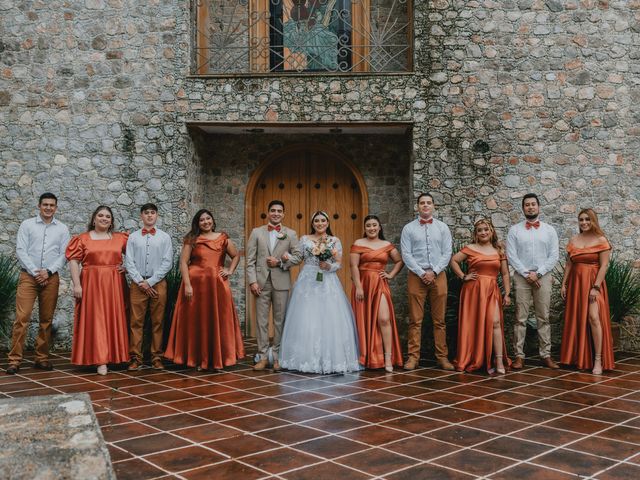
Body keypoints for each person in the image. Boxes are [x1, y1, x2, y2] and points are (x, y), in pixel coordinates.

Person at [279, 211, 360, 374]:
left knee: (329, 317)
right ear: (312, 223)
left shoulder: (334, 240)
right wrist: (284, 260)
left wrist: (329, 266)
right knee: (306, 317)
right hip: (307, 281)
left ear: (328, 223)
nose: (320, 223)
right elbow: (298, 258)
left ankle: (330, 359)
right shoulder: (304, 239)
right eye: (316, 220)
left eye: (323, 220)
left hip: (327, 280)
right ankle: (304, 359)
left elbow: (339, 263)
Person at [164, 209, 245, 370]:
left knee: (217, 319)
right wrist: (187, 284)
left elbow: (236, 255)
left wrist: (229, 270)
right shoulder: (192, 239)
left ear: (213, 221)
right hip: (195, 285)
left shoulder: (223, 238)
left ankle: (217, 358)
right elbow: (183, 263)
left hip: (217, 285)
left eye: (208, 218)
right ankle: (196, 358)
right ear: (197, 223)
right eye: (202, 220)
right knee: (197, 322)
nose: (206, 222)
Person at [6, 193, 70, 375]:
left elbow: (64, 254)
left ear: (56, 208)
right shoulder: (27, 225)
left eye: (52, 205)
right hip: (28, 277)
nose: (48, 208)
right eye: (45, 204)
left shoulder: (62, 229)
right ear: (39, 206)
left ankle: (41, 358)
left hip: (51, 278)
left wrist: (48, 272)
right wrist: (36, 271)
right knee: (22, 318)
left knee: (46, 320)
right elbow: (21, 250)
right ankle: (14, 360)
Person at [66, 205, 129, 375]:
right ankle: (100, 360)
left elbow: (137, 254)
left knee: (112, 318)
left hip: (114, 283)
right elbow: (73, 261)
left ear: (111, 221)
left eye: (108, 216)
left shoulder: (120, 238)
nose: (104, 218)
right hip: (91, 283)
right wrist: (77, 284)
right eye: (100, 215)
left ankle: (115, 356)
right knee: (96, 319)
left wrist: (128, 268)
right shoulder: (82, 239)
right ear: (94, 219)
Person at [400, 193, 454, 371]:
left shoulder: (442, 227)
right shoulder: (408, 228)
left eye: (428, 203)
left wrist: (435, 271)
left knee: (440, 320)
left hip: (438, 276)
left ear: (433, 206)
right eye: (422, 203)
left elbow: (447, 252)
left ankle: (442, 357)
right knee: (415, 320)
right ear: (417, 206)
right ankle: (413, 358)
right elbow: (406, 254)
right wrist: (422, 272)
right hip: (416, 276)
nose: (425, 205)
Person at [451, 219, 511, 374]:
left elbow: (505, 273)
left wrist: (507, 293)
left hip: (491, 290)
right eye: (480, 230)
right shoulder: (470, 248)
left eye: (486, 229)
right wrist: (463, 276)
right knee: (472, 323)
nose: (483, 232)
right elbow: (454, 261)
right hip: (473, 290)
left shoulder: (499, 249)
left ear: (491, 231)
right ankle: (472, 357)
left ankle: (498, 360)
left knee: (495, 322)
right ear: (476, 234)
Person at [506, 193, 559, 370]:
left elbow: (554, 255)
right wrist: (526, 273)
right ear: (523, 208)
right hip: (522, 278)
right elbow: (511, 255)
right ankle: (519, 356)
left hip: (543, 277)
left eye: (533, 204)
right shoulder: (515, 230)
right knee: (520, 317)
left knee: (543, 317)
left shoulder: (549, 230)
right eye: (527, 205)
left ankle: (545, 355)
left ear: (538, 207)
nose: (530, 207)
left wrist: (539, 273)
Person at [246, 200, 299, 371]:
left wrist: (281, 263)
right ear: (268, 212)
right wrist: (252, 281)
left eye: (279, 211)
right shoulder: (256, 232)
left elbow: (298, 257)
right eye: (273, 210)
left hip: (281, 281)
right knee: (261, 321)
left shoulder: (290, 234)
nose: (276, 213)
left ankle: (276, 356)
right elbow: (250, 260)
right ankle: (262, 356)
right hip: (260, 282)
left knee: (279, 321)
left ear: (284, 214)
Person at [560, 209, 615, 374]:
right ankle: (579, 357)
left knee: (594, 318)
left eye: (587, 220)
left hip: (593, 284)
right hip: (576, 285)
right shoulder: (574, 240)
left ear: (593, 221)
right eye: (581, 220)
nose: (584, 222)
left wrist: (596, 287)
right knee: (578, 319)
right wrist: (563, 284)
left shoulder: (601, 240)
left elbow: (604, 265)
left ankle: (598, 359)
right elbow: (569, 264)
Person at [350, 215, 404, 372]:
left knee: (384, 319)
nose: (372, 228)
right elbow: (353, 266)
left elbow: (399, 261)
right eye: (368, 225)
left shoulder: (386, 244)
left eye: (374, 225)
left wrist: (391, 274)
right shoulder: (358, 243)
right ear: (365, 228)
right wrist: (358, 287)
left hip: (380, 284)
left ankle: (388, 357)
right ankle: (365, 356)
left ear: (380, 227)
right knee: (363, 320)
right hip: (363, 284)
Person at [124, 203, 173, 371]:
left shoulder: (165, 237)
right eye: (146, 213)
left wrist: (150, 282)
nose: (150, 216)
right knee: (135, 322)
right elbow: (129, 262)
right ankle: (135, 358)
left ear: (157, 215)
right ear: (141, 216)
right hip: (137, 284)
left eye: (153, 213)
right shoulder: (133, 237)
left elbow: (168, 262)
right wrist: (140, 282)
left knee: (157, 321)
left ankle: (156, 356)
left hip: (158, 284)